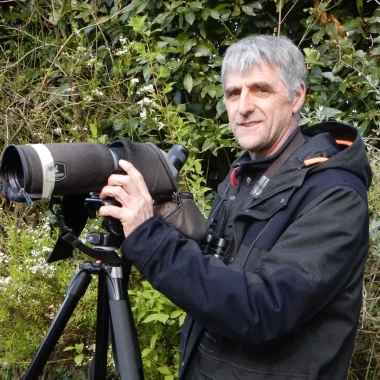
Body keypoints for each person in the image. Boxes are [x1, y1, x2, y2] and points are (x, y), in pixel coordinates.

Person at [99, 35, 372, 380]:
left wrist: (149, 237)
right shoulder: (244, 174)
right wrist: (173, 225)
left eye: (260, 90)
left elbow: (265, 309)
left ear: (296, 96)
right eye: (233, 93)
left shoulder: (334, 195)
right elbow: (226, 276)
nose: (243, 107)